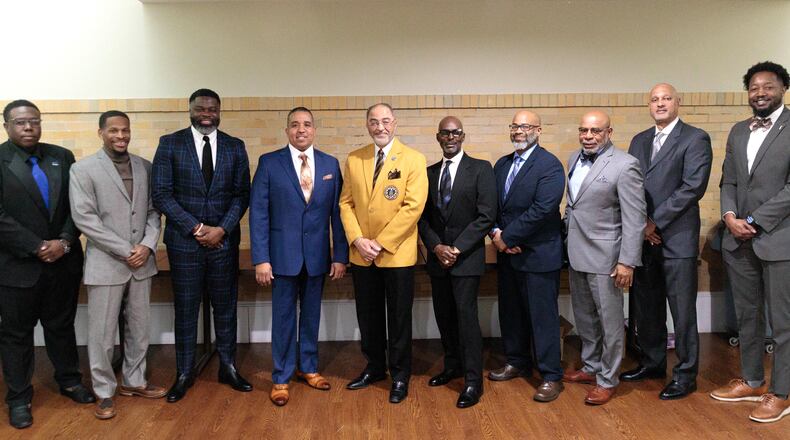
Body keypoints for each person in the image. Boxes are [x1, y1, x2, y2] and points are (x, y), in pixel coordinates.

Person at [152, 88, 251, 403]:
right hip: (185, 244)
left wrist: (221, 229)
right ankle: (184, 372)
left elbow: (242, 194)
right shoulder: (170, 144)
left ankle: (228, 366)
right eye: (200, 108)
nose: (206, 114)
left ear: (219, 112)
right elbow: (161, 194)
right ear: (190, 110)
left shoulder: (235, 146)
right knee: (186, 308)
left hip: (223, 242)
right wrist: (196, 228)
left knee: (225, 307)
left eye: (212, 109)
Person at [0, 100, 94, 429]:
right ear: (6, 126)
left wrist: (64, 242)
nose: (29, 127)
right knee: (16, 335)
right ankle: (18, 398)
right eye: (20, 122)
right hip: (16, 267)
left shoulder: (61, 157)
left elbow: (77, 206)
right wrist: (37, 246)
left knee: (61, 326)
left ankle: (70, 381)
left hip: (62, 263)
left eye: (34, 121)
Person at [69, 110, 167, 419]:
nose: (121, 136)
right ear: (101, 133)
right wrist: (127, 250)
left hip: (142, 263)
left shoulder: (145, 167)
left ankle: (134, 381)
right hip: (106, 262)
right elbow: (85, 219)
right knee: (102, 333)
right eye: (113, 130)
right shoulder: (83, 169)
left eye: (125, 130)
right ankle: (104, 391)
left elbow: (153, 212)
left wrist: (147, 245)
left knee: (139, 327)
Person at [249, 107, 349, 406]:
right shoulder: (269, 163)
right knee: (283, 319)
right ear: (287, 131)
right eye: (294, 125)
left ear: (314, 130)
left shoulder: (330, 164)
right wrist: (261, 259)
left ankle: (308, 367)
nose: (301, 129)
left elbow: (338, 215)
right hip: (281, 258)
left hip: (317, 258)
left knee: (311, 316)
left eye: (306, 124)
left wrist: (340, 256)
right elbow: (258, 214)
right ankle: (280, 377)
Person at [622, 83, 712, 400]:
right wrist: (641, 225)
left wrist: (654, 221)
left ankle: (685, 375)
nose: (660, 104)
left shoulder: (695, 138)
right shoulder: (639, 140)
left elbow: (692, 188)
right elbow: (630, 186)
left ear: (678, 102)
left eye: (666, 98)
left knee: (682, 311)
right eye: (654, 99)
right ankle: (652, 363)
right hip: (644, 239)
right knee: (647, 308)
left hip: (677, 239)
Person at [714, 61, 790, 423]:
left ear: (783, 89)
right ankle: (752, 380)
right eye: (754, 87)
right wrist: (730, 216)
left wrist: (756, 220)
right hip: (738, 239)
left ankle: (782, 393)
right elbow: (728, 180)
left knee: (783, 321)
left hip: (779, 239)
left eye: (768, 87)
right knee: (747, 315)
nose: (760, 93)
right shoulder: (738, 131)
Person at [339, 103, 428, 403]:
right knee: (368, 315)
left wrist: (380, 242)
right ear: (367, 125)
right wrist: (357, 240)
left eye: (386, 121)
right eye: (374, 121)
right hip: (362, 255)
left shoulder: (413, 159)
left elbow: (413, 207)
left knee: (399, 318)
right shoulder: (355, 159)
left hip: (396, 254)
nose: (380, 127)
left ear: (395, 123)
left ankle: (400, 375)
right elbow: (346, 203)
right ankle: (375, 367)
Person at [562, 110, 646, 405]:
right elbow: (573, 205)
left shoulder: (625, 164)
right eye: (583, 130)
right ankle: (591, 366)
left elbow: (635, 218)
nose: (588, 136)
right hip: (576, 252)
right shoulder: (573, 158)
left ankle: (608, 379)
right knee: (585, 318)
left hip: (607, 259)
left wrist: (627, 261)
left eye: (595, 131)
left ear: (609, 133)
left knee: (610, 323)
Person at [487, 110, 566, 403]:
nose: (519, 131)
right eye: (515, 126)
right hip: (508, 255)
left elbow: (543, 209)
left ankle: (551, 376)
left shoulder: (550, 165)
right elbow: (492, 205)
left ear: (538, 130)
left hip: (538, 255)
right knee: (511, 313)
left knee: (542, 318)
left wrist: (507, 238)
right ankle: (516, 361)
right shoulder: (502, 164)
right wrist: (496, 233)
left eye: (525, 126)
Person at [418, 116, 496, 408]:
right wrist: (437, 247)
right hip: (438, 260)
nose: (450, 138)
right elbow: (422, 218)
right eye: (445, 133)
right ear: (438, 137)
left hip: (466, 259)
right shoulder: (428, 173)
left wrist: (456, 248)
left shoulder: (481, 169)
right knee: (444, 317)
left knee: (466, 319)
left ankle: (473, 381)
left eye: (455, 133)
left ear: (462, 136)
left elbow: (486, 216)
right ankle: (453, 366)